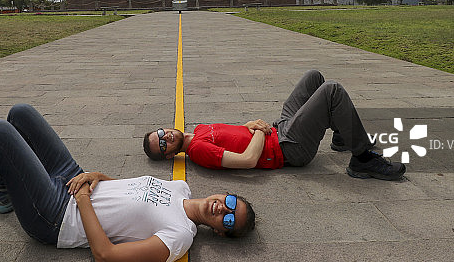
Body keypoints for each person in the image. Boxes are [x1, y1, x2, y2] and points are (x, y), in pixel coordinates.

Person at [0, 103, 254, 262]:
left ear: (220, 233)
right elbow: (128, 190)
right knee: (20, 114)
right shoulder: (181, 187)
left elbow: (106, 256)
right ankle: (4, 194)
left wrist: (85, 203)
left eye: (227, 219)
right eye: (230, 202)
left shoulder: (179, 238)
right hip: (77, 181)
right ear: (225, 193)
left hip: (59, 217)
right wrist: (98, 177)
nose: (222, 208)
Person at [143, 69, 405, 181]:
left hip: (279, 130)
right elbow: (246, 160)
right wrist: (259, 129)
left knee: (313, 77)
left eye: (160, 133)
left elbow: (234, 135)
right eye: (163, 143)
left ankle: (341, 137)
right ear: (168, 154)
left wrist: (249, 124)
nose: (165, 135)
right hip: (287, 148)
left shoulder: (199, 129)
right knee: (331, 90)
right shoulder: (197, 150)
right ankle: (362, 158)